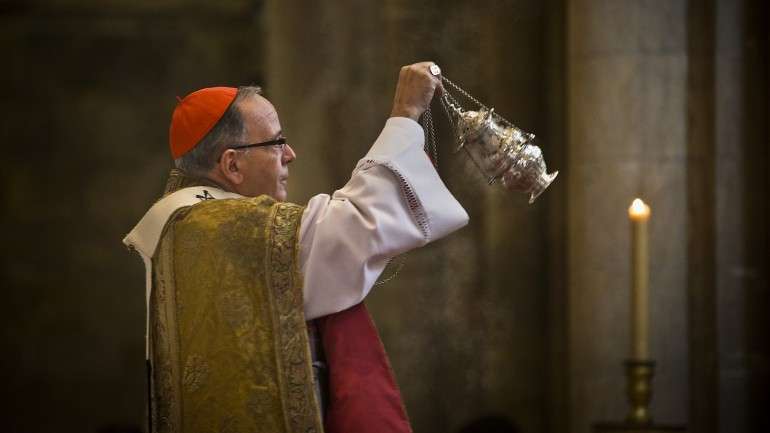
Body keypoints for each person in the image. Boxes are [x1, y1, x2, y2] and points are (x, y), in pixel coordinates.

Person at [123, 62, 468, 433]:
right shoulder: (224, 225)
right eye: (276, 142)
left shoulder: (185, 225)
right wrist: (405, 115)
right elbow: (354, 227)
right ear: (232, 165)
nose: (290, 154)